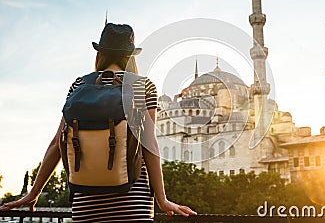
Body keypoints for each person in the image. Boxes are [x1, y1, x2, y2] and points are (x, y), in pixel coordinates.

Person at [0, 23, 197, 222]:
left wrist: (34, 192)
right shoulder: (143, 85)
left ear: (100, 53)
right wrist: (162, 200)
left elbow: (57, 144)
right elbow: (149, 144)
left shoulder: (80, 85)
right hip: (132, 201)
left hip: (86, 201)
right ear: (130, 56)